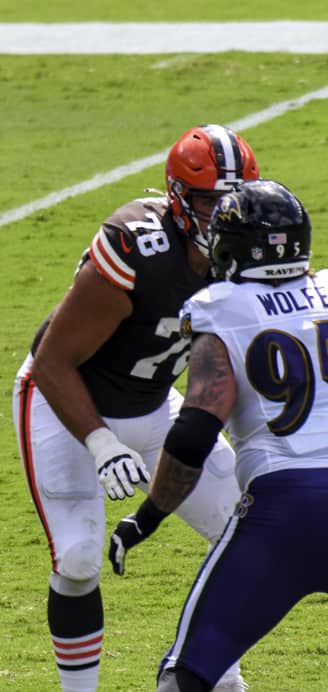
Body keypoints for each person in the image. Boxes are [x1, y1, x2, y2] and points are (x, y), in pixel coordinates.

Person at [11, 124, 258, 692]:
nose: (223, 214)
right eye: (207, 200)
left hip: (152, 407)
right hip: (63, 404)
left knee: (246, 530)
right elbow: (52, 361)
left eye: (233, 198)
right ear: (177, 197)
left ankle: (218, 677)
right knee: (76, 561)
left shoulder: (247, 249)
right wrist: (100, 444)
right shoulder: (139, 247)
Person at [108, 179, 327, 691]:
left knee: (187, 675)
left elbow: (193, 434)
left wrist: (148, 517)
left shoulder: (222, 306)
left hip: (285, 510)